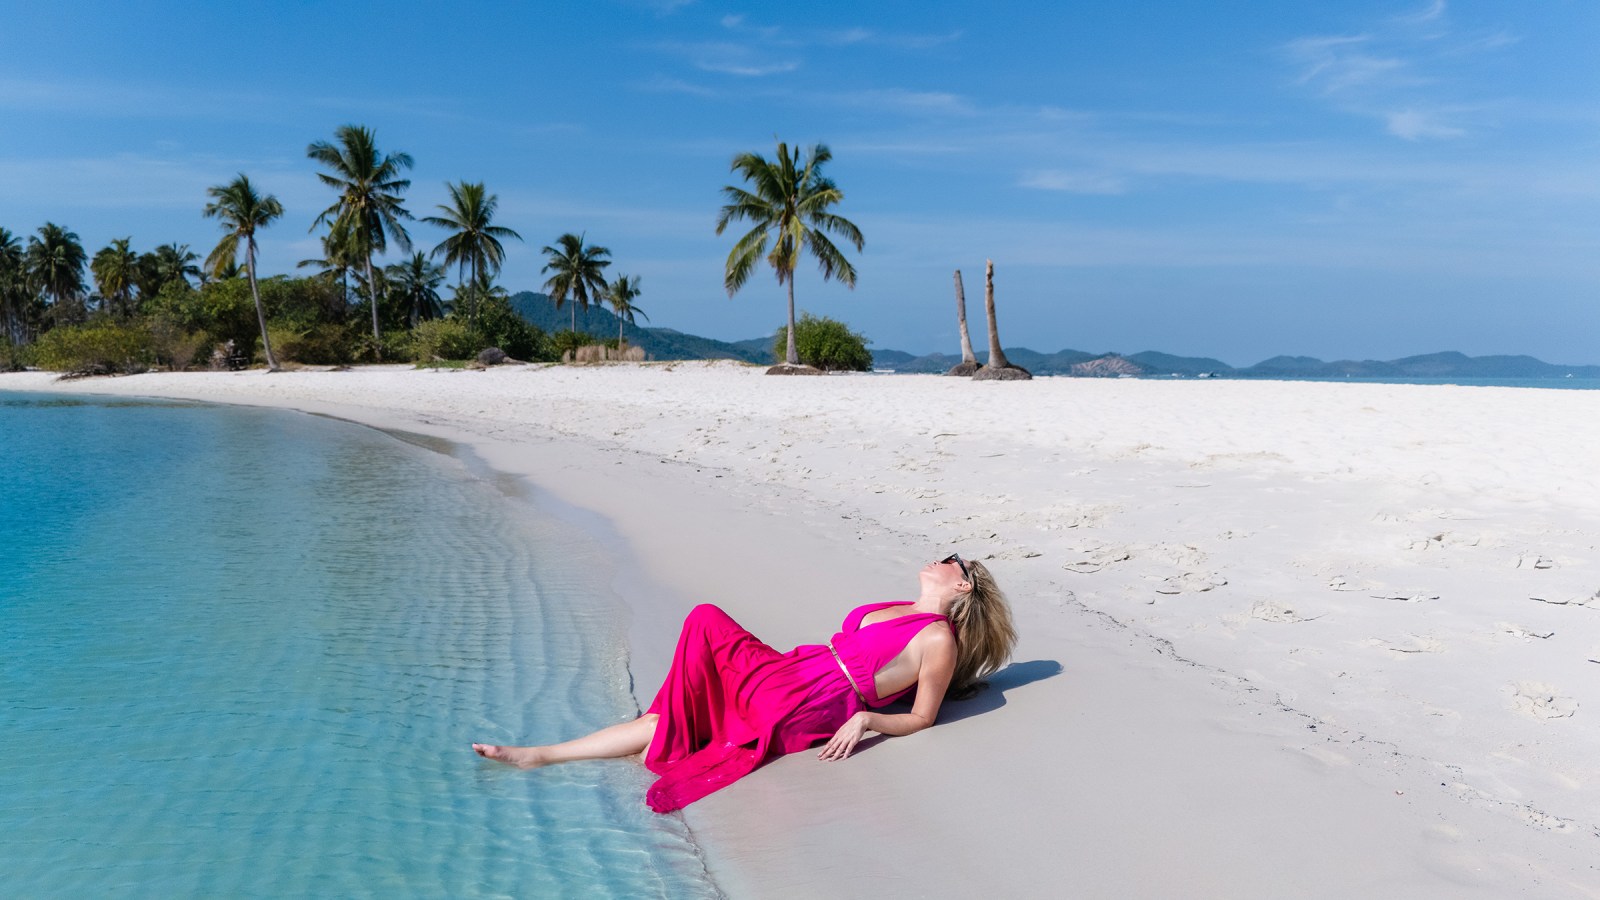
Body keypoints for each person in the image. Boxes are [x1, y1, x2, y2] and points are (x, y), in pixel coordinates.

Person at [473, 553, 1016, 812]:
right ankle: (541, 755)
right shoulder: (896, 606)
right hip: (793, 668)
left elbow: (922, 717)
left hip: (808, 697)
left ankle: (554, 755)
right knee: (674, 708)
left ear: (963, 584)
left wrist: (867, 718)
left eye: (950, 559)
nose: (937, 558)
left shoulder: (938, 639)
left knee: (705, 620)